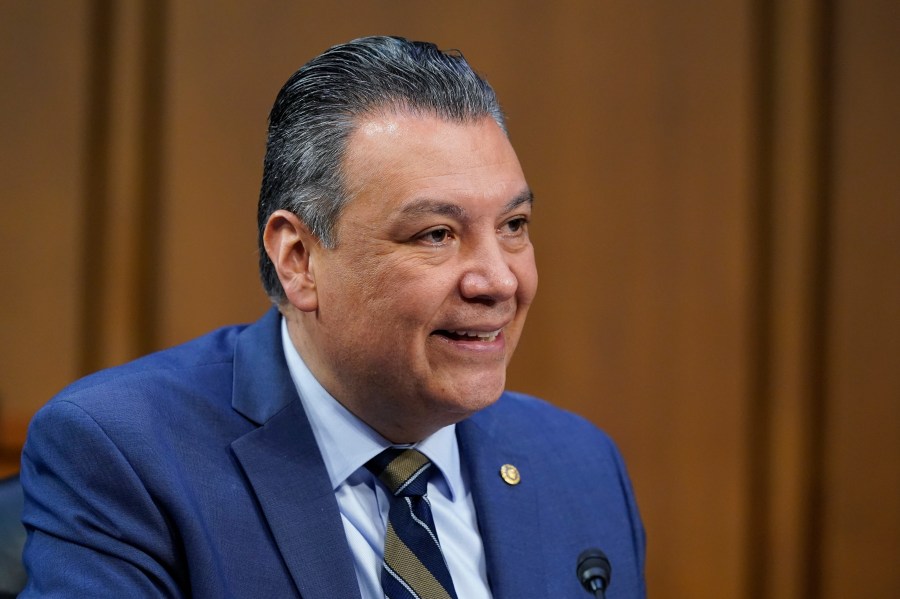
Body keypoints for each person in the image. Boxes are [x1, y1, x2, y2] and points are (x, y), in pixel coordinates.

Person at [19, 36, 646, 598]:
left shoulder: (578, 466)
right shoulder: (126, 453)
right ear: (299, 259)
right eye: (436, 234)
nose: (499, 281)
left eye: (513, 226)